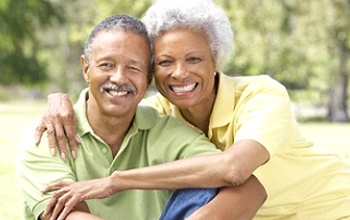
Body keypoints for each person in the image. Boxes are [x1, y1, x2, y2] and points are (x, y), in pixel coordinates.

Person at [36, 0, 350, 219]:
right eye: (165, 62)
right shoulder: (159, 111)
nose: (179, 73)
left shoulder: (261, 94)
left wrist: (116, 181)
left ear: (216, 59)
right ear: (150, 70)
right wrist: (59, 99)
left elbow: (233, 169)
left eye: (194, 59)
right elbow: (111, 95)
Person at [17, 14, 266, 220]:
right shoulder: (48, 136)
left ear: (148, 79)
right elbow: (69, 216)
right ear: (86, 69)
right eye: (106, 65)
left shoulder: (166, 131)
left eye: (133, 68)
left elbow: (250, 188)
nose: (119, 78)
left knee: (206, 190)